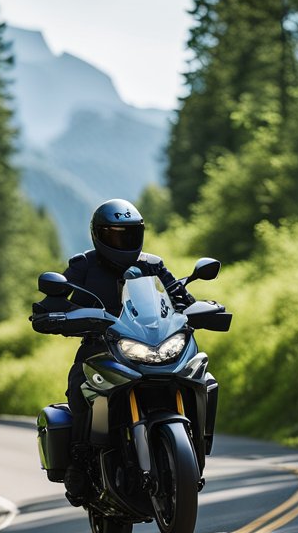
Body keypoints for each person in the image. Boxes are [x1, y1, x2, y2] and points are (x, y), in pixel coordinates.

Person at [34, 198, 195, 502]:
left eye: (129, 234)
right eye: (114, 234)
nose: (122, 240)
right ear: (98, 235)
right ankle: (79, 467)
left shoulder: (151, 265)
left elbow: (179, 297)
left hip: (151, 342)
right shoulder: (83, 266)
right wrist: (51, 313)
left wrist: (198, 308)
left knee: (199, 375)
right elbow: (56, 298)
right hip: (101, 347)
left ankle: (192, 449)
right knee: (79, 388)